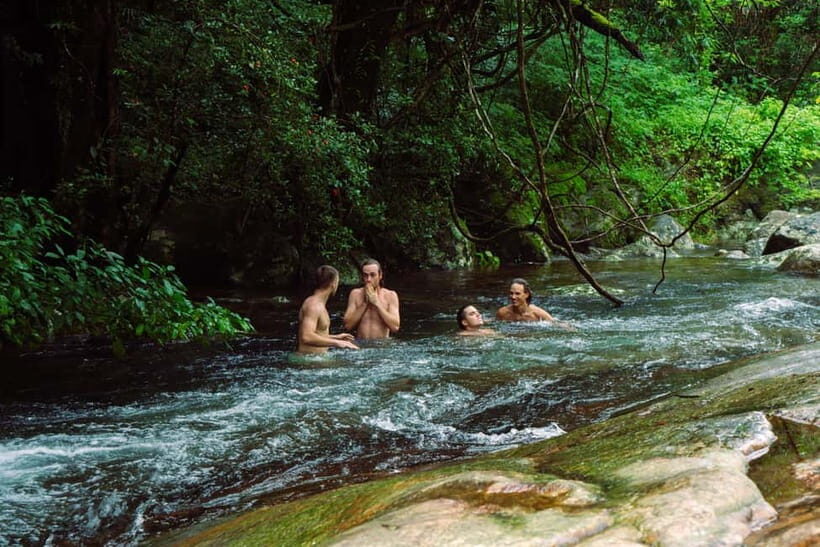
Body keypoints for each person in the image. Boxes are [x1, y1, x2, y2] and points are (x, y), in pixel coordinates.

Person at [297, 265, 359, 353]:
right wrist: (337, 343)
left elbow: (317, 334)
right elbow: (306, 337)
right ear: (333, 284)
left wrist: (336, 337)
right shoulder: (313, 305)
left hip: (316, 360)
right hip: (310, 362)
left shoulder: (318, 304)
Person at [343, 258, 400, 339]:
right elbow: (347, 326)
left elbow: (395, 327)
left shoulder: (390, 295)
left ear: (380, 276)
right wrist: (365, 303)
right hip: (361, 344)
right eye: (365, 275)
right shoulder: (355, 294)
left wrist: (376, 303)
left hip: (382, 345)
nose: (368, 279)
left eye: (373, 275)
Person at [496, 278, 574, 329]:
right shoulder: (503, 313)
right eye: (511, 293)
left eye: (517, 294)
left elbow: (555, 323)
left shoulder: (537, 314)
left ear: (526, 294)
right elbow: (495, 324)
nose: (513, 297)